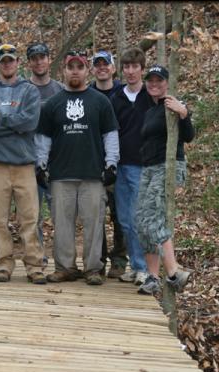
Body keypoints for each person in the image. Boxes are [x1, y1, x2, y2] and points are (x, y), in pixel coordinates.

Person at [36, 50, 120, 285]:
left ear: (87, 70)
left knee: (94, 223)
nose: (75, 71)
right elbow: (43, 138)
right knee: (62, 224)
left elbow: (110, 135)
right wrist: (40, 165)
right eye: (71, 67)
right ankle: (65, 267)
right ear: (64, 70)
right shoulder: (53, 103)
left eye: (80, 67)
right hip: (61, 174)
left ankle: (93, 268)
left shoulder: (100, 101)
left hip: (93, 174)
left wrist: (111, 164)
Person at [0, 43, 46, 284]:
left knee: (30, 219)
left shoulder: (29, 91)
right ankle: (3, 264)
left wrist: (0, 119)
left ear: (18, 63)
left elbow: (30, 123)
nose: (7, 64)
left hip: (24, 165)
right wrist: (13, 122)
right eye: (3, 60)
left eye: (11, 60)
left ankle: (34, 266)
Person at [134, 64, 194, 295]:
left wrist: (183, 113)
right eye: (150, 80)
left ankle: (173, 272)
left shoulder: (174, 106)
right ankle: (152, 276)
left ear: (167, 83)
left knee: (153, 217)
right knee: (141, 220)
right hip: (148, 169)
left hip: (167, 167)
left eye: (159, 80)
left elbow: (188, 136)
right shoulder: (150, 111)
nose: (154, 84)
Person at [110, 47, 153, 286]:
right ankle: (136, 265)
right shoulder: (116, 98)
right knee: (125, 220)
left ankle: (146, 267)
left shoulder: (151, 96)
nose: (130, 71)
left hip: (143, 166)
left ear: (142, 69)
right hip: (120, 165)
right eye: (126, 67)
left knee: (140, 219)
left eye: (135, 67)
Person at [89, 49, 128, 280]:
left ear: (113, 68)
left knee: (120, 214)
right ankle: (99, 259)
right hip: (94, 163)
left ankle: (120, 259)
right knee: (96, 215)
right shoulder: (87, 94)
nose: (102, 68)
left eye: (106, 64)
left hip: (122, 162)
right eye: (97, 64)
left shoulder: (124, 92)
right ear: (92, 69)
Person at [26, 42, 64, 260]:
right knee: (33, 214)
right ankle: (37, 254)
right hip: (29, 160)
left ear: (49, 59)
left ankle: (63, 255)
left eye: (42, 57)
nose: (39, 61)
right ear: (29, 62)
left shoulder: (59, 89)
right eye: (34, 58)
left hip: (56, 160)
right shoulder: (23, 89)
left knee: (60, 212)